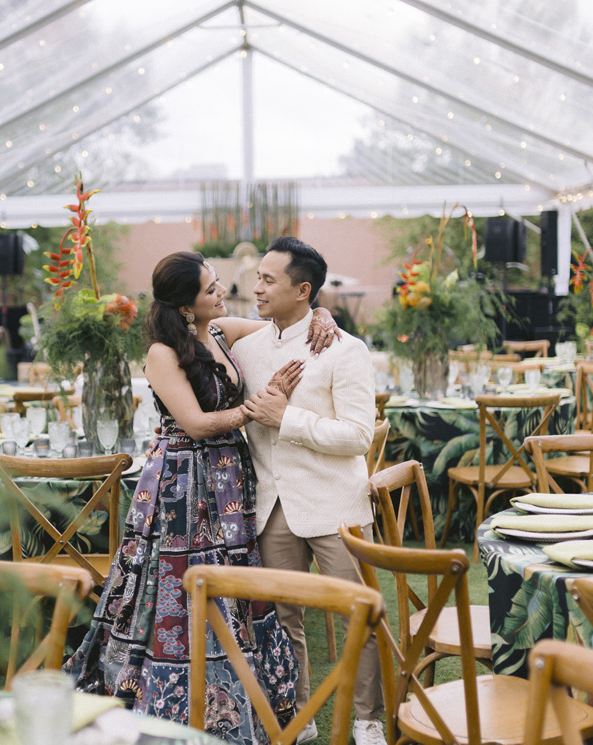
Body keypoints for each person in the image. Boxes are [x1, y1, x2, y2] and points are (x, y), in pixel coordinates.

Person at [66, 251, 337, 745]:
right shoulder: (162, 353)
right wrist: (257, 407)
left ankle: (250, 695)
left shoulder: (218, 332)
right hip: (182, 484)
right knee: (175, 585)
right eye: (211, 289)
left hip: (229, 481)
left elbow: (279, 322)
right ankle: (176, 695)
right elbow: (194, 423)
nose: (221, 294)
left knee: (236, 585)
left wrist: (319, 312)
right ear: (186, 305)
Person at [231, 237, 386, 745]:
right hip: (270, 507)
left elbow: (360, 436)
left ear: (303, 290)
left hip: (334, 504)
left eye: (268, 280)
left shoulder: (345, 348)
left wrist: (287, 418)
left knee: (358, 615)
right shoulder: (244, 349)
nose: (255, 287)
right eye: (257, 278)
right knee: (281, 621)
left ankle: (367, 720)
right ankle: (300, 715)